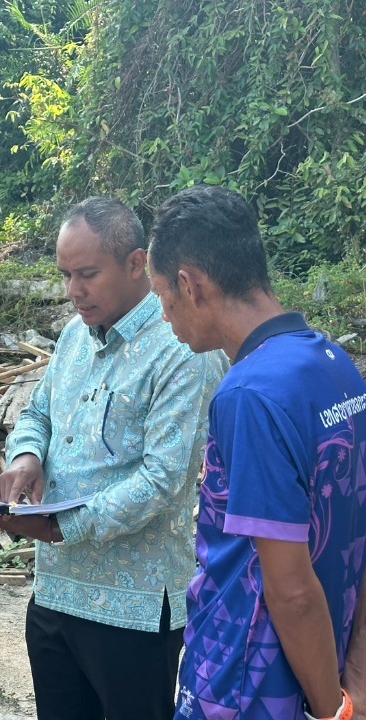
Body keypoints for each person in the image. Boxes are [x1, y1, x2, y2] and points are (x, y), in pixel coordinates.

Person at [0, 197, 226, 720]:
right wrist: (26, 457)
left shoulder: (182, 349)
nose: (73, 291)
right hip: (55, 592)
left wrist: (61, 527)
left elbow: (163, 478)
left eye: (87, 274)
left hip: (133, 609)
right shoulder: (75, 336)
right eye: (65, 275)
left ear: (136, 264)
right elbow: (38, 413)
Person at [148, 185, 366, 720]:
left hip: (245, 688)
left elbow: (291, 589)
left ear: (189, 286)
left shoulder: (248, 395)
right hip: (329, 669)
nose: (165, 316)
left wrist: (331, 710)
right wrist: (355, 682)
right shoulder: (335, 365)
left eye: (161, 296)